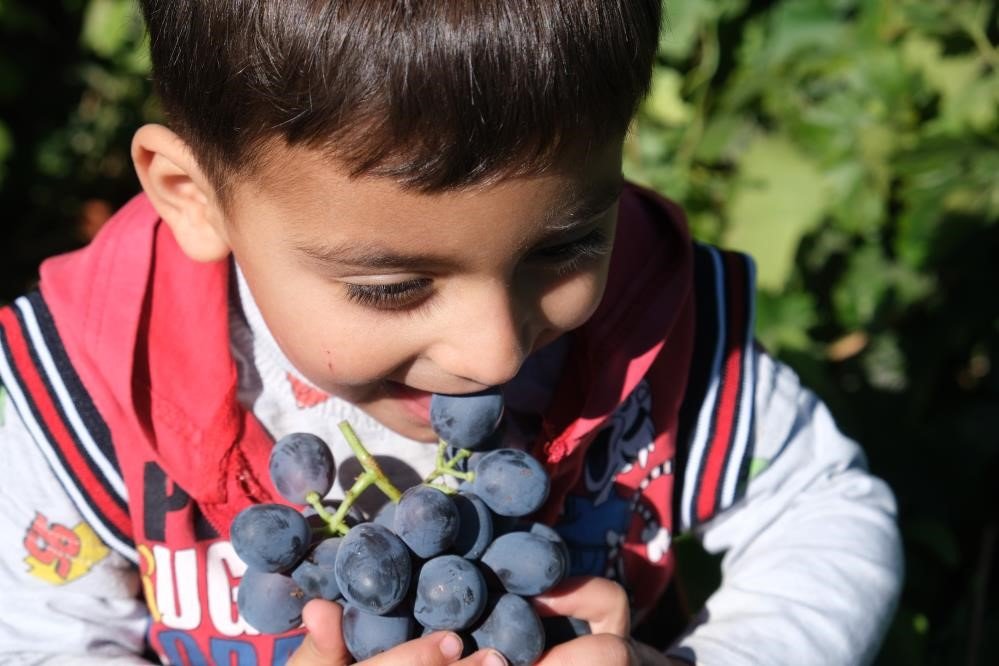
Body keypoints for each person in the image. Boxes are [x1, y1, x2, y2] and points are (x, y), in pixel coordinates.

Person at [0, 1, 902, 664]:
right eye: (391, 288)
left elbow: (823, 510)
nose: (494, 354)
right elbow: (42, 641)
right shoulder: (87, 395)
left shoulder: (658, 330)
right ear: (192, 198)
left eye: (564, 246)